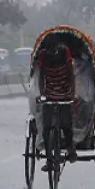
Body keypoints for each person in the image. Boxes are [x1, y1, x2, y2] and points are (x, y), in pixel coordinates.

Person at [34, 41, 78, 169]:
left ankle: (70, 148)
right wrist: (41, 93)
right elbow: (41, 75)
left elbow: (71, 74)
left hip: (65, 93)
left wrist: (72, 94)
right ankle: (49, 160)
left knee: (66, 124)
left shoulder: (65, 52)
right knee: (46, 129)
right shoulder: (43, 55)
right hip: (49, 94)